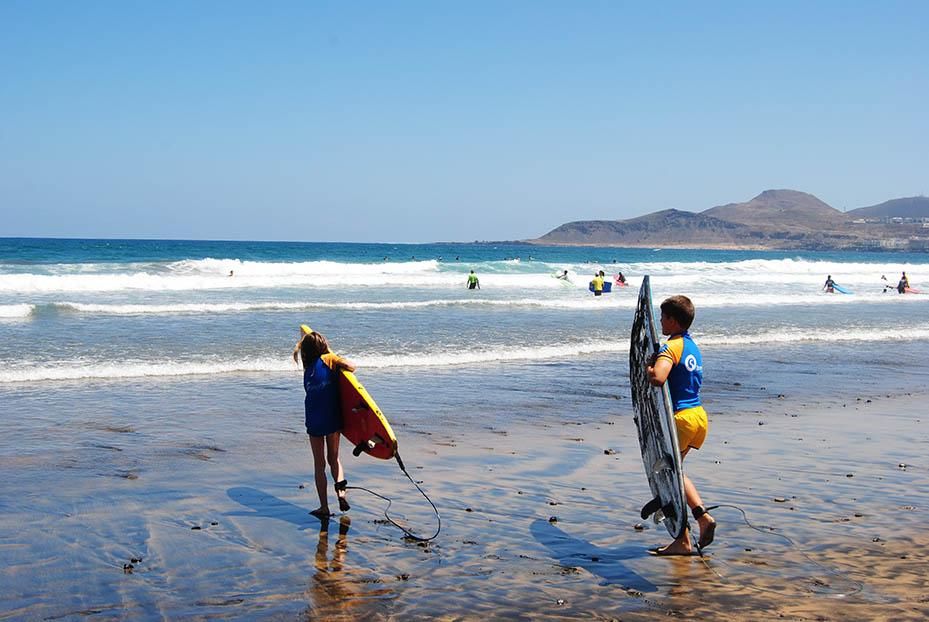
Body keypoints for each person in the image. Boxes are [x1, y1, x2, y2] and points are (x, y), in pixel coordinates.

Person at [646, 295, 716, 555]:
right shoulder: (691, 346)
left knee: (669, 478)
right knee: (676, 474)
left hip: (681, 419)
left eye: (663, 317)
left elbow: (659, 378)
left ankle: (688, 535)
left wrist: (648, 367)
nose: (661, 321)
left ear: (673, 321)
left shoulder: (672, 346)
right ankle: (697, 522)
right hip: (698, 417)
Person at [294, 325, 355, 518]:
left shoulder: (307, 369)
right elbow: (351, 366)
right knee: (334, 459)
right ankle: (342, 493)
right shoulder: (329, 359)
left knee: (319, 464)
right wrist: (332, 355)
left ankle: (324, 507)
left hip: (313, 419)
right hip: (332, 417)